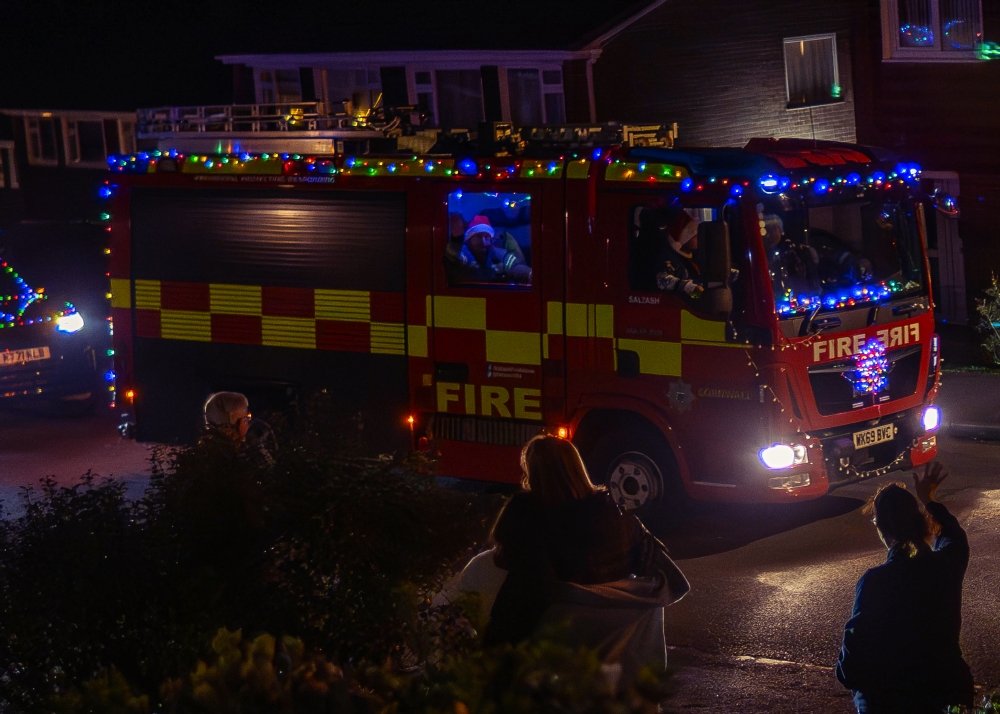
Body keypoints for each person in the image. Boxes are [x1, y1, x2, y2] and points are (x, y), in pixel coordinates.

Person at [483, 434, 689, 689]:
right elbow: (653, 558)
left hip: (557, 624)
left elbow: (515, 568)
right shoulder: (616, 513)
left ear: (533, 473)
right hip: (616, 626)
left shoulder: (528, 514)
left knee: (483, 574)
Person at [836, 462, 974, 713]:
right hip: (948, 688)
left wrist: (854, 681)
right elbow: (955, 536)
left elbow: (853, 656)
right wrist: (929, 499)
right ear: (919, 521)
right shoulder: (946, 565)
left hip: (893, 698)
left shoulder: (876, 581)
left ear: (880, 527)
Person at [444, 214, 532, 285]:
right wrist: (456, 239)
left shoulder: (499, 254)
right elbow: (454, 256)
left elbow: (515, 267)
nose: (483, 241)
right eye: (478, 236)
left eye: (486, 237)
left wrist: (530, 274)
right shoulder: (464, 254)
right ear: (469, 240)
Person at [202, 390, 276, 466]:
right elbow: (267, 469)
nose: (248, 422)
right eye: (244, 419)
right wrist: (253, 445)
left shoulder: (208, 445)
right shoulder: (229, 453)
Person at [654, 206, 703, 296]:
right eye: (695, 235)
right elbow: (662, 279)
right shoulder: (666, 256)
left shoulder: (696, 256)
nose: (699, 238)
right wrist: (687, 286)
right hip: (678, 303)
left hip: (696, 301)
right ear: (684, 238)